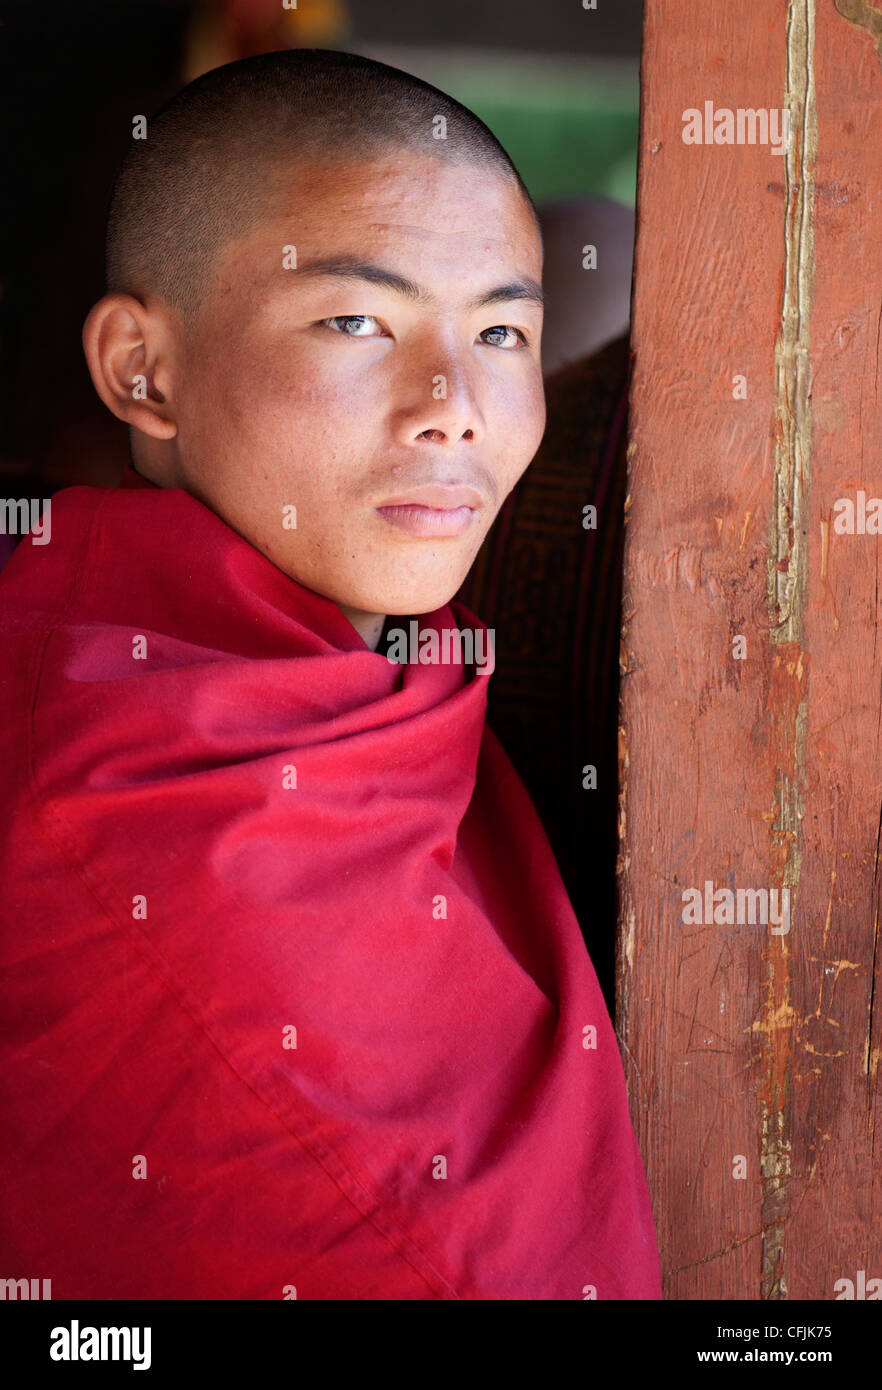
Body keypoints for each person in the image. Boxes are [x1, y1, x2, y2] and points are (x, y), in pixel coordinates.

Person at [0, 49, 661, 1300]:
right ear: (142, 368)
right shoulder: (141, 811)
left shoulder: (332, 637)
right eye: (356, 319)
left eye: (501, 331)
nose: (454, 406)